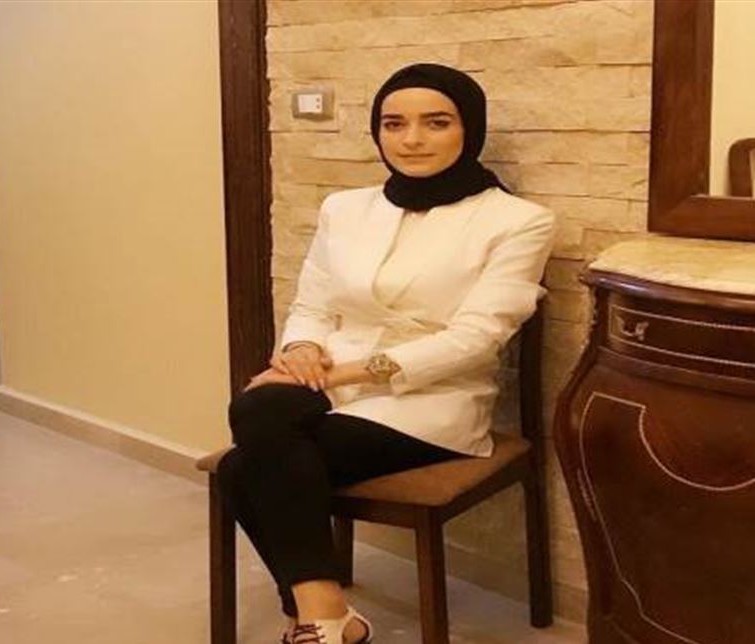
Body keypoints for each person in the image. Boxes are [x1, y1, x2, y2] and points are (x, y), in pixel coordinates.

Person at [218, 63, 555, 644]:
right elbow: (314, 303)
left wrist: (339, 373)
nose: (412, 139)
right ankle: (326, 613)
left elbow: (476, 338)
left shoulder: (518, 222)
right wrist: (301, 350)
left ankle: (317, 616)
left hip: (431, 402)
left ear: (470, 129)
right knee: (257, 412)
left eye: (436, 122)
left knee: (241, 466)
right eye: (394, 124)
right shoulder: (345, 208)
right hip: (330, 382)